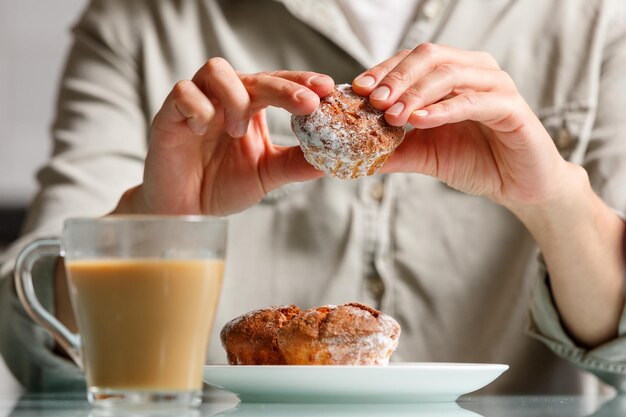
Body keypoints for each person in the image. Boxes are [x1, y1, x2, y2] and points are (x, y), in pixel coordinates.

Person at [0, 0, 625, 394]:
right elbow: (37, 339)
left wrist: (555, 201)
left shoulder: (595, 19)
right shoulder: (139, 20)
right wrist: (159, 220)